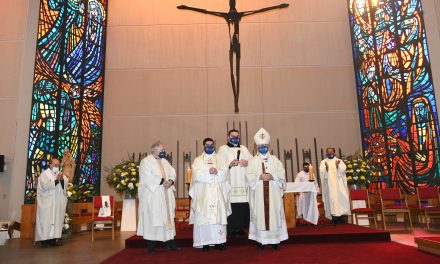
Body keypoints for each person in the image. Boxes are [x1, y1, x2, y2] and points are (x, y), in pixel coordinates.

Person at [246, 128, 288, 250]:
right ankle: (260, 241)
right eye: (260, 145)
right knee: (259, 214)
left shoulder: (275, 160)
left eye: (265, 145)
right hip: (259, 194)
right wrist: (259, 176)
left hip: (273, 194)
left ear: (268, 146)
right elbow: (248, 176)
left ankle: (275, 241)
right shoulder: (253, 161)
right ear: (256, 147)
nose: (262, 147)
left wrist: (272, 176)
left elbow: (282, 174)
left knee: (274, 214)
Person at [137, 141, 180, 254]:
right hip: (154, 196)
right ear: (154, 150)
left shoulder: (164, 161)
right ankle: (151, 247)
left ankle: (170, 243)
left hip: (165, 193)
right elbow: (145, 177)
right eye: (162, 150)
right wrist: (161, 181)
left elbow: (172, 172)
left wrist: (170, 181)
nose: (163, 152)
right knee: (154, 218)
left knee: (168, 218)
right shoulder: (146, 161)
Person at [189, 138, 231, 252]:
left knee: (218, 216)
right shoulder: (198, 160)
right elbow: (196, 175)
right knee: (204, 216)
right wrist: (208, 172)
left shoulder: (220, 159)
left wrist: (217, 171)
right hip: (204, 193)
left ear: (214, 146)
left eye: (211, 145)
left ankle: (219, 242)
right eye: (207, 145)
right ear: (203, 146)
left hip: (218, 192)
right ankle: (205, 242)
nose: (209, 147)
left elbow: (226, 172)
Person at [217, 129, 252, 236]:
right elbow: (219, 164)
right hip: (230, 181)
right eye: (232, 136)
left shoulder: (244, 148)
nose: (235, 138)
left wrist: (247, 163)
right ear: (228, 137)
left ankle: (240, 227)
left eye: (237, 136)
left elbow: (253, 161)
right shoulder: (223, 149)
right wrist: (230, 164)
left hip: (242, 181)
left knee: (242, 204)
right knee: (231, 203)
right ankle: (231, 227)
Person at [35, 158, 68, 247]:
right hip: (47, 203)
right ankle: (45, 240)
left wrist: (61, 180)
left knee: (56, 220)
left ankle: (54, 239)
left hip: (56, 203)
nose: (57, 167)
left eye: (58, 165)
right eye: (55, 165)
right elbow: (44, 186)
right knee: (46, 220)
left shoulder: (60, 174)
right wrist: (56, 180)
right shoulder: (44, 174)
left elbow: (66, 184)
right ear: (50, 165)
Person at [319, 148, 350, 224]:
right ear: (326, 153)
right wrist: (326, 168)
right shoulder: (323, 162)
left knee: (341, 199)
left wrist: (337, 167)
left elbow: (343, 170)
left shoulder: (339, 161)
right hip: (329, 185)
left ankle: (341, 217)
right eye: (328, 152)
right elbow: (322, 172)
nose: (330, 153)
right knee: (331, 199)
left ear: (334, 152)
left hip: (339, 184)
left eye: (331, 151)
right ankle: (334, 217)